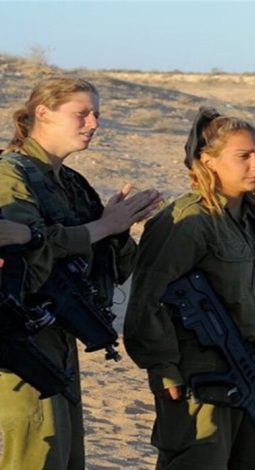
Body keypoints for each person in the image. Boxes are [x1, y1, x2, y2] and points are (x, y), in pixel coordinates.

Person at [0, 77, 161, 470]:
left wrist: (118, 227)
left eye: (97, 114)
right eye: (82, 113)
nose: (94, 123)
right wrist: (101, 227)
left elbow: (116, 269)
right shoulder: (9, 176)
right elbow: (22, 254)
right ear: (43, 113)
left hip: (60, 339)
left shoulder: (73, 184)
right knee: (38, 454)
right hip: (22, 340)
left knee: (67, 456)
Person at [123, 108, 255, 469]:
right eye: (243, 156)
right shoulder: (188, 220)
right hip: (200, 382)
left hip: (254, 375)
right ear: (208, 161)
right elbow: (147, 299)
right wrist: (163, 369)